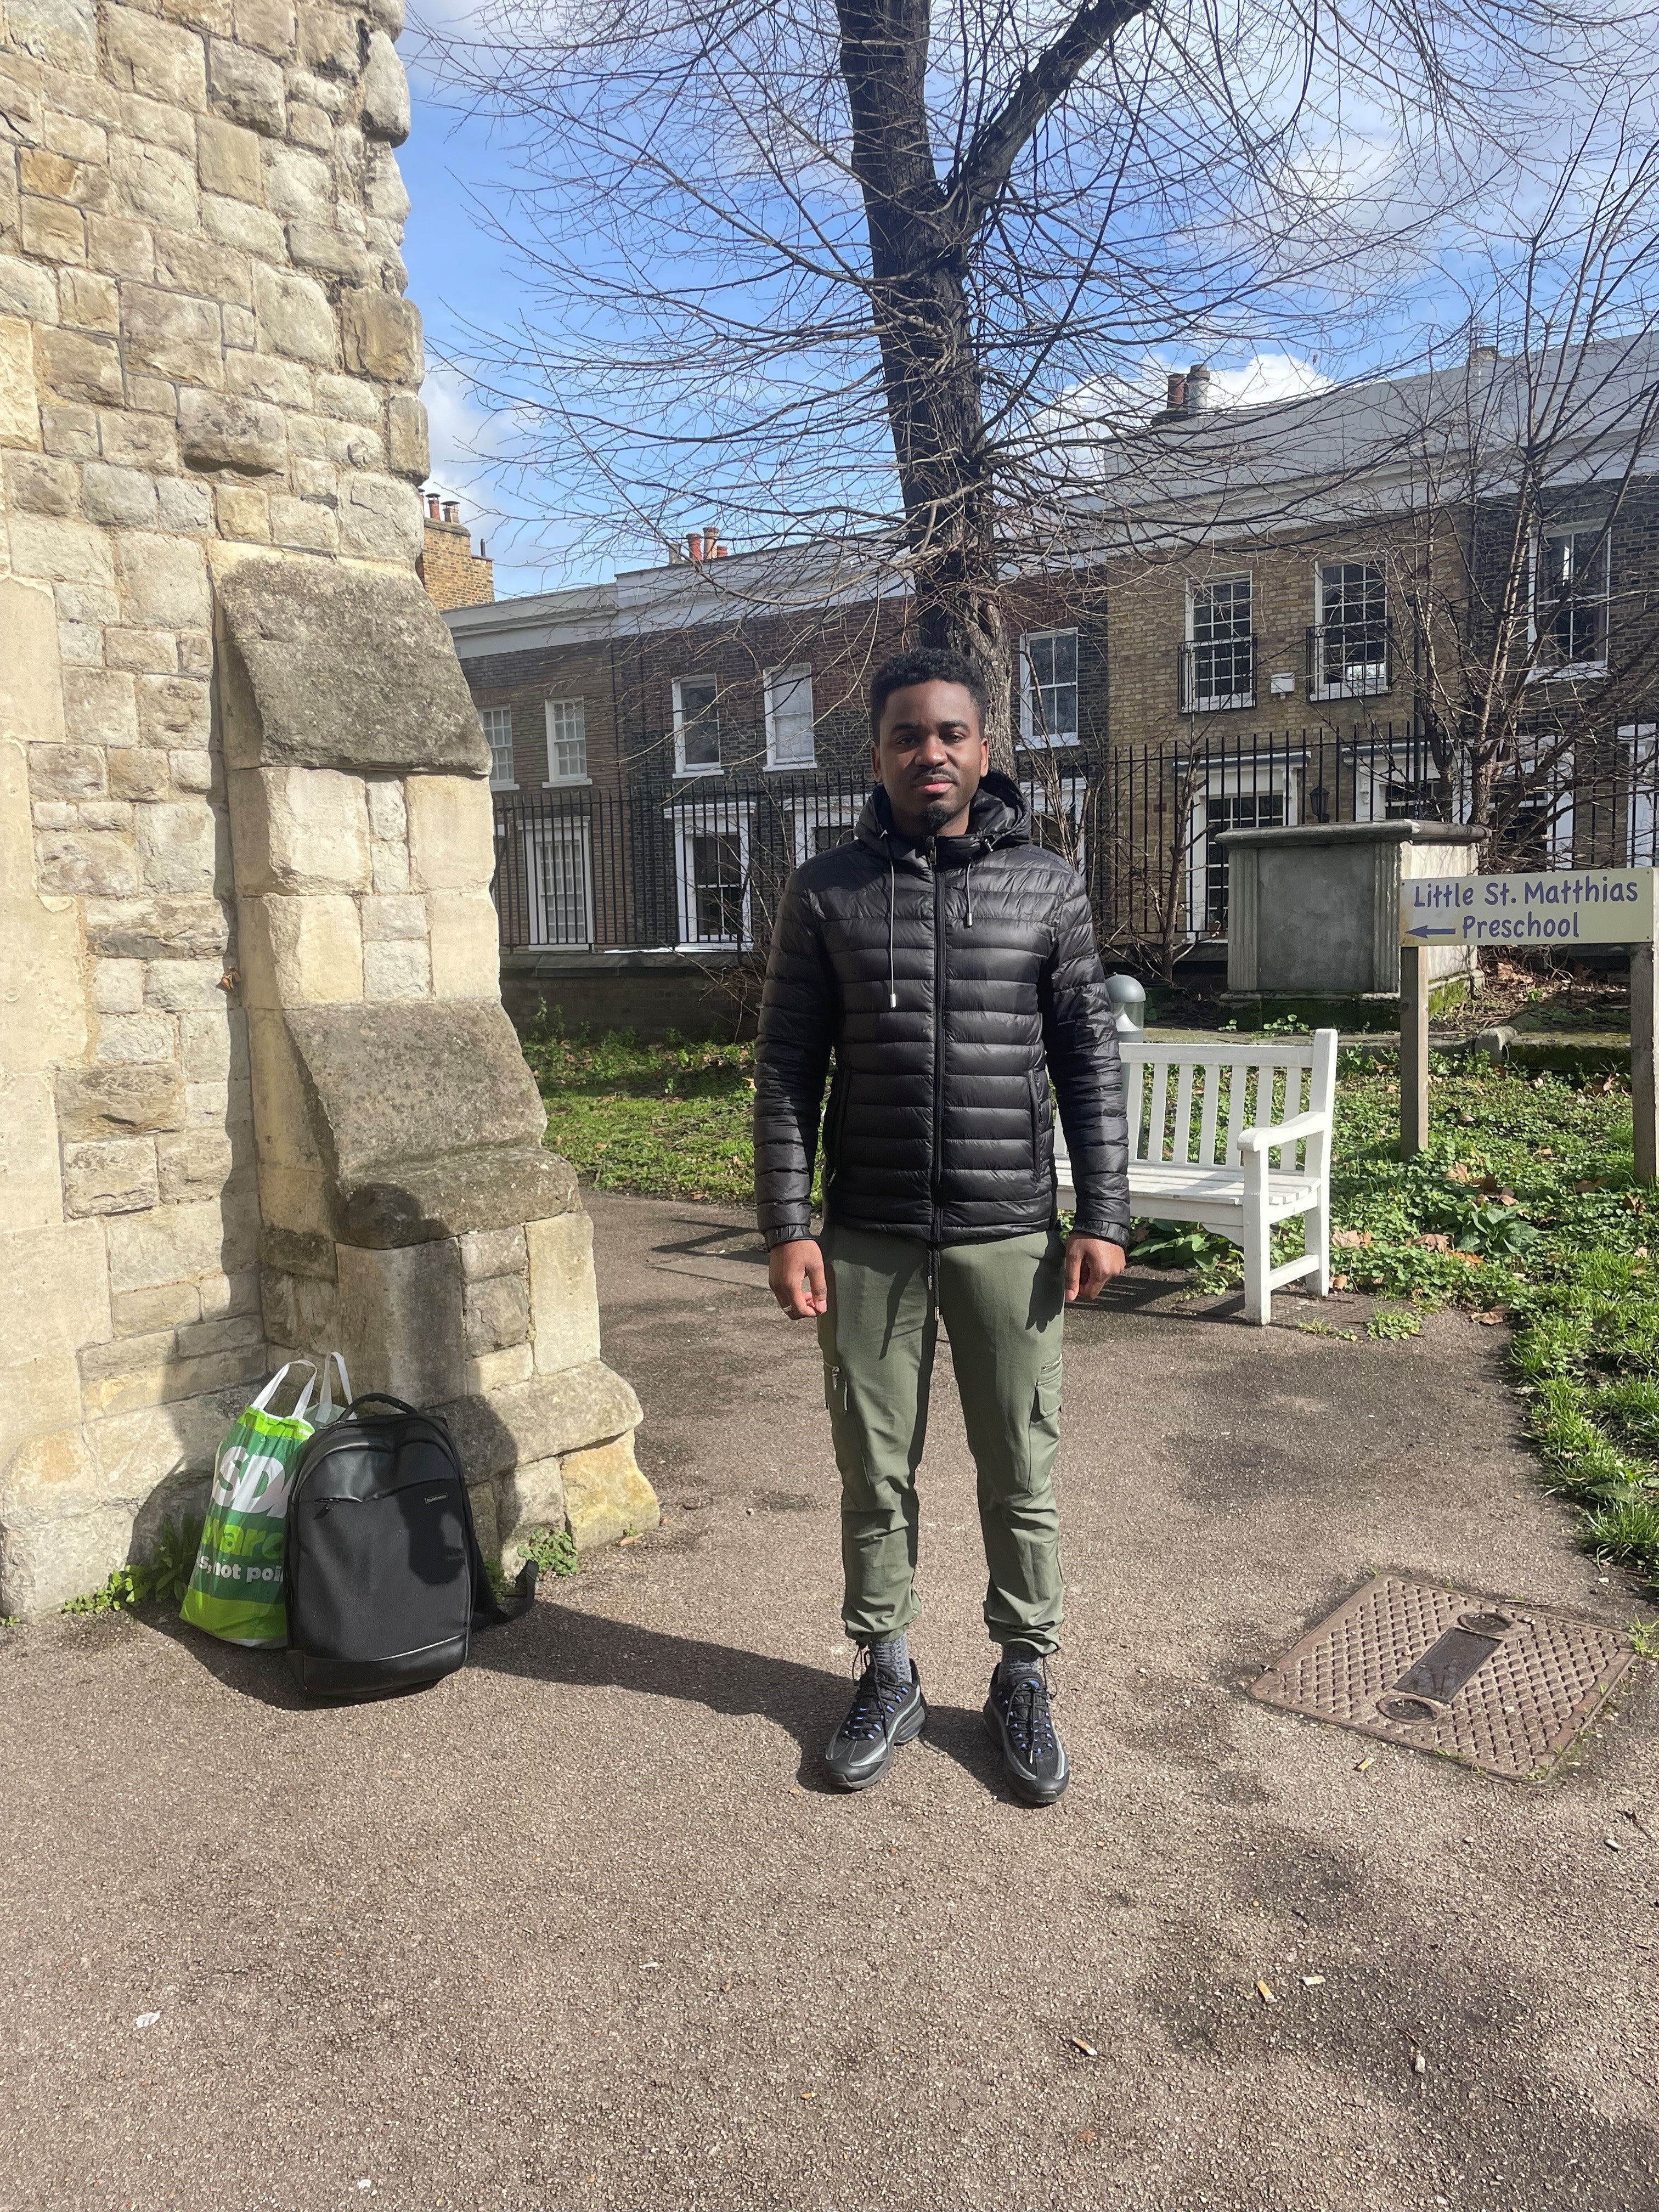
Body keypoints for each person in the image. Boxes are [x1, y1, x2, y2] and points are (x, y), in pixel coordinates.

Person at [753, 645, 1130, 1804]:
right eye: (908, 735)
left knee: (1020, 1463)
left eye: (951, 734)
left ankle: (1022, 1669)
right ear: (876, 755)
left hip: (1009, 1228)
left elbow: (1088, 1060)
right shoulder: (827, 892)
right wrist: (786, 1223)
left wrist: (1102, 1211)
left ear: (983, 748)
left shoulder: (1048, 888)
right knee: (875, 1468)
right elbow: (785, 1072)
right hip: (865, 1234)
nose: (932, 753)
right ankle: (890, 1666)